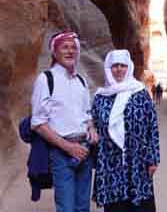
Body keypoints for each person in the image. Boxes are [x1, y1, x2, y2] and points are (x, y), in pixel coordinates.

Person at [31, 31, 98, 212]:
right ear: (55, 52)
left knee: (83, 207)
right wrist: (68, 147)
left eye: (74, 47)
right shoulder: (46, 79)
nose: (70, 51)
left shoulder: (81, 81)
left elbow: (87, 114)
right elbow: (38, 123)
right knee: (66, 208)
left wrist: (91, 128)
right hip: (61, 153)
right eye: (65, 47)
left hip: (85, 150)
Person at [92, 49, 160, 212]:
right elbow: (93, 123)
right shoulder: (100, 97)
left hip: (139, 160)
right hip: (111, 162)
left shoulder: (140, 93)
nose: (119, 69)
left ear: (129, 67)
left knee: (140, 205)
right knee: (117, 206)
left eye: (123, 65)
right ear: (109, 68)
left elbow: (152, 126)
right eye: (115, 65)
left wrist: (153, 158)